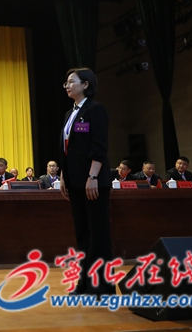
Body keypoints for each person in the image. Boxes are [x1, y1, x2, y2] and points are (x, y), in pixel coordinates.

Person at [59, 68, 114, 298]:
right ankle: (84, 284)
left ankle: (101, 287)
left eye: (71, 82)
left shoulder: (95, 110)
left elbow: (99, 146)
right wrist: (64, 176)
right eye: (66, 83)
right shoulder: (70, 113)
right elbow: (67, 149)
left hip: (94, 182)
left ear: (86, 84)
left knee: (98, 235)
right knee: (83, 234)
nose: (67, 86)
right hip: (75, 182)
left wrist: (92, 177)